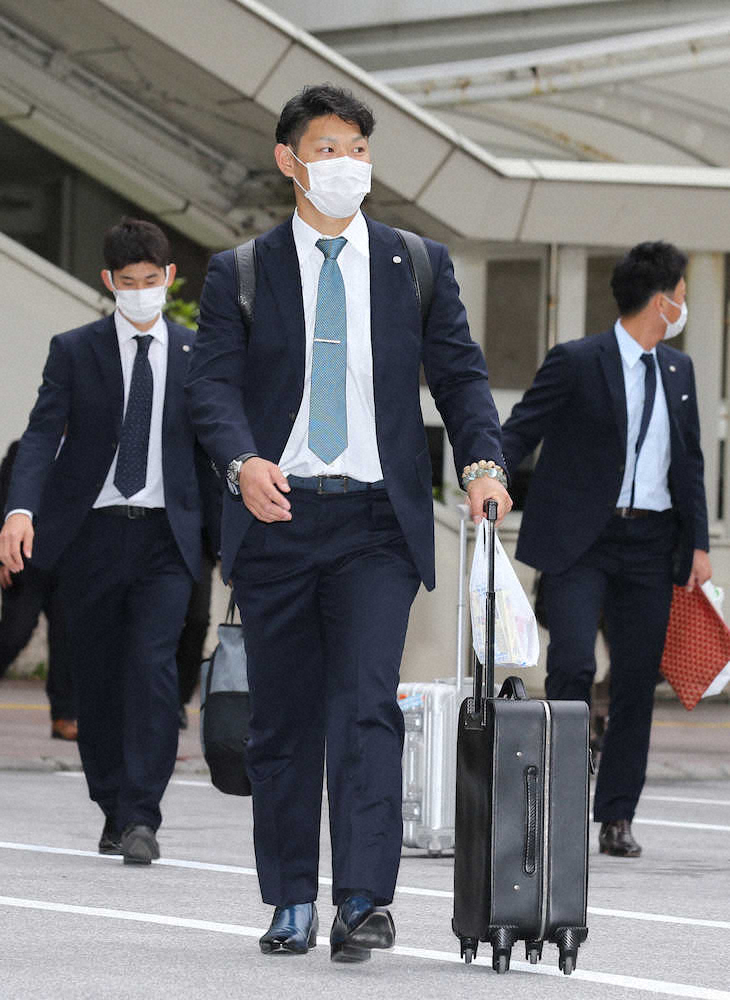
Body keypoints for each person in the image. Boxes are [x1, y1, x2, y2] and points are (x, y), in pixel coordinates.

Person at [186, 84, 511, 962]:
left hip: (376, 522)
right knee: (283, 721)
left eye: (359, 148)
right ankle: (290, 897)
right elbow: (211, 387)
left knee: (366, 705)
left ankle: (364, 898)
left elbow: (461, 376)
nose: (348, 164)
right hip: (278, 513)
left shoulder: (417, 263)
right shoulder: (242, 272)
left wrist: (483, 462)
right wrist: (241, 462)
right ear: (290, 161)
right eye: (328, 149)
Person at [0, 218, 208, 865]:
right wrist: (20, 509)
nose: (142, 292)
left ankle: (143, 814)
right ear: (109, 282)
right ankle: (113, 806)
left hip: (165, 541)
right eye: (129, 282)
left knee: (151, 667)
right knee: (96, 677)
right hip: (90, 534)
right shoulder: (74, 349)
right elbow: (40, 436)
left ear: (169, 279)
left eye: (152, 280)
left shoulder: (199, 355)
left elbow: (216, 445)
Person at [501, 240, 711, 858]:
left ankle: (617, 814)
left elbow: (689, 461)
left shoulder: (679, 370)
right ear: (661, 298)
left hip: (650, 541)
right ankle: (563, 800)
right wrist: (487, 472)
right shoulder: (577, 360)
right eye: (681, 292)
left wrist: (697, 543)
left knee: (637, 681)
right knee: (572, 664)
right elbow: (523, 428)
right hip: (581, 540)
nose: (683, 303)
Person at [0, 441, 77, 739]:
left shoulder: (90, 451)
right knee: (15, 633)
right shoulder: (24, 450)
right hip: (25, 563)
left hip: (69, 563)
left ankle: (64, 716)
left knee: (66, 639)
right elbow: (4, 500)